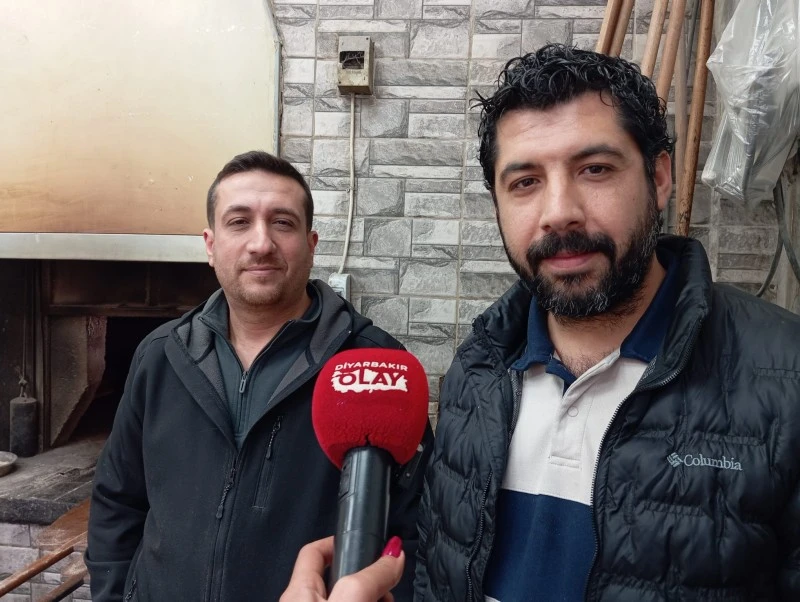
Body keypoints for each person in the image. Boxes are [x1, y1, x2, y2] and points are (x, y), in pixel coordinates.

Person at [281, 44, 800, 601]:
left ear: (659, 176)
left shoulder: (785, 378)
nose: (559, 212)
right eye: (525, 181)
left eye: (595, 169)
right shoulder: (477, 373)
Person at [85, 150, 432, 602]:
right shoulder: (160, 356)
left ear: (311, 243)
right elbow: (118, 500)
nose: (261, 243)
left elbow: (418, 528)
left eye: (282, 223)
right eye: (239, 222)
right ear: (210, 245)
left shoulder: (376, 367)